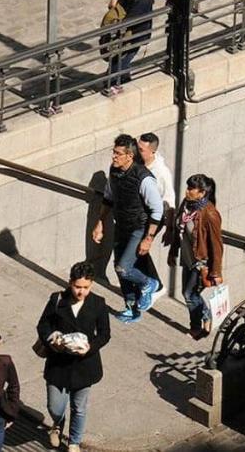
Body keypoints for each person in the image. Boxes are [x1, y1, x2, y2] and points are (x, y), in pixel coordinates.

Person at [37, 262, 111, 452]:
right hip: (58, 364)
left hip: (84, 365)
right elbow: (43, 325)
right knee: (55, 407)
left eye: (85, 287)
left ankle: (74, 442)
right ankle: (57, 425)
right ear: (70, 283)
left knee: (79, 407)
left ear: (92, 285)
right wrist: (52, 339)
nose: (81, 291)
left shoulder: (99, 303)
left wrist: (90, 348)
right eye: (77, 287)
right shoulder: (57, 300)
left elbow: (104, 334)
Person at [92, 135, 165, 323]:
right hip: (121, 226)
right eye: (113, 152)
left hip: (139, 227)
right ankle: (131, 308)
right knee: (119, 269)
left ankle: (150, 283)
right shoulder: (114, 172)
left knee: (123, 268)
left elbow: (157, 210)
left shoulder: (144, 178)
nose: (114, 157)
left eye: (118, 154)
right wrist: (100, 222)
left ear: (129, 156)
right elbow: (108, 197)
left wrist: (148, 239)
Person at [170, 174, 223, 339]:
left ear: (202, 193)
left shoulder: (210, 214)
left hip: (200, 261)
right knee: (191, 294)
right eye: (188, 187)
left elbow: (217, 245)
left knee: (189, 294)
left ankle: (197, 326)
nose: (187, 191)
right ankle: (205, 318)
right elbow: (178, 230)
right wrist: (173, 252)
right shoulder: (187, 205)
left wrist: (216, 272)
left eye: (191, 189)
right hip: (187, 258)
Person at [102, 0, 155, 96]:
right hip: (125, 35)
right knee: (120, 63)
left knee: (117, 65)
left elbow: (129, 21)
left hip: (134, 36)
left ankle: (115, 87)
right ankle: (123, 84)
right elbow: (112, 6)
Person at [138, 132, 175, 297]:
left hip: (154, 216)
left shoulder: (161, 172)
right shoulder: (139, 164)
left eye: (141, 150)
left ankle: (156, 285)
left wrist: (169, 228)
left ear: (152, 151)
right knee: (135, 248)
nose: (137, 152)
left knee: (140, 248)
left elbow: (169, 201)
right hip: (140, 213)